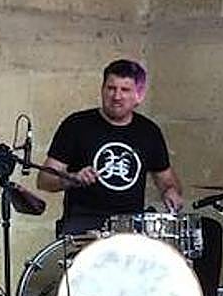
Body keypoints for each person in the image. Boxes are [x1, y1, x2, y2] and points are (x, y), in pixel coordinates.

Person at [36, 59, 184, 236]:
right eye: (111, 88)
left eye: (125, 90)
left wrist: (170, 191)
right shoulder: (76, 125)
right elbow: (44, 180)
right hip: (83, 225)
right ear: (102, 89)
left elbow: (166, 179)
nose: (117, 96)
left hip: (130, 227)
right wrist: (72, 178)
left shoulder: (148, 132)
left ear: (139, 95)